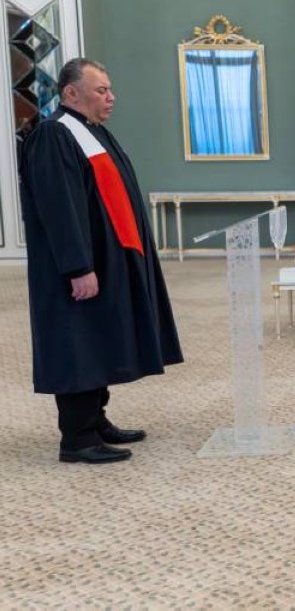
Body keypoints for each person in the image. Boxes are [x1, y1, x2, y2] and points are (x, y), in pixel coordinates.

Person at [19, 57, 183, 464]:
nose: (111, 97)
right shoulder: (54, 135)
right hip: (79, 267)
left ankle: (96, 420)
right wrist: (78, 267)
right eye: (101, 90)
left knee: (100, 337)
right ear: (71, 92)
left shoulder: (91, 131)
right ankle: (77, 438)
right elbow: (60, 209)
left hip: (107, 261)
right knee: (79, 341)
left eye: (109, 89)